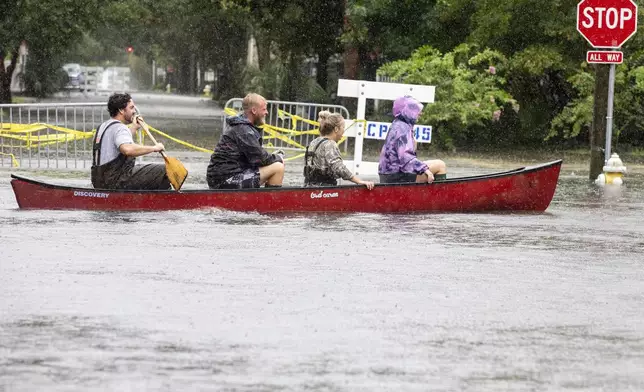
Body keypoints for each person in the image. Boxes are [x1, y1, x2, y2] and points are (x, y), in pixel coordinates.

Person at [91, 93, 170, 190]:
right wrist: (154, 148)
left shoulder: (103, 126)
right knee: (165, 170)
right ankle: (164, 201)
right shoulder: (120, 128)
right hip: (116, 182)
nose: (134, 111)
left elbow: (118, 142)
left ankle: (142, 199)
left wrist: (134, 128)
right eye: (131, 108)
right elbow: (127, 149)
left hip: (99, 181)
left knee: (142, 169)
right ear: (121, 110)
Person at [207, 93, 285, 189]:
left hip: (220, 177)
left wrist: (273, 158)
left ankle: (261, 200)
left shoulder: (241, 125)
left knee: (272, 164)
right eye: (264, 109)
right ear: (254, 110)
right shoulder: (244, 130)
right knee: (278, 167)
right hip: (226, 179)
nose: (267, 112)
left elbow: (256, 158)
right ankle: (271, 203)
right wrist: (278, 158)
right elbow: (260, 158)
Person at [378, 95, 447, 184]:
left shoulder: (397, 124)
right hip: (396, 176)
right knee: (440, 165)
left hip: (388, 174)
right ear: (407, 111)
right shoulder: (402, 128)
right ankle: (439, 195)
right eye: (416, 110)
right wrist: (425, 170)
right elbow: (405, 157)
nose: (420, 113)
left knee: (429, 165)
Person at [304, 111, 374, 190]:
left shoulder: (314, 141)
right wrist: (359, 181)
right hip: (323, 189)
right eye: (343, 127)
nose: (344, 131)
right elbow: (339, 168)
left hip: (308, 187)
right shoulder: (330, 144)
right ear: (336, 129)